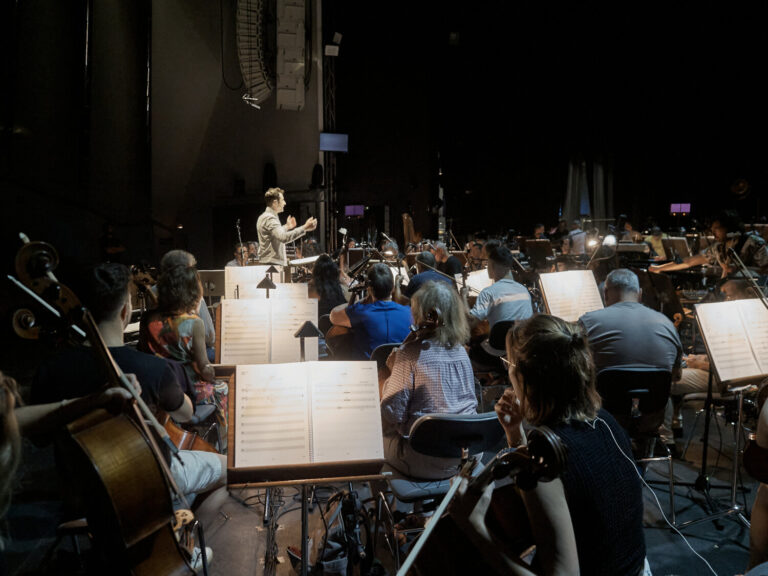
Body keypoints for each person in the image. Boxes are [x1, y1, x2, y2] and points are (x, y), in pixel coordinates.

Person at [33, 263, 227, 495]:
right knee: (227, 469)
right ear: (125, 310)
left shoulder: (51, 369)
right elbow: (184, 414)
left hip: (78, 487)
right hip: (144, 479)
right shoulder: (152, 369)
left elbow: (38, 437)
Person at [495, 315, 648, 576]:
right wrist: (514, 432)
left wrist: (474, 526)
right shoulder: (605, 420)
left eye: (508, 364)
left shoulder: (546, 456)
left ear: (525, 378)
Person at [380, 281, 476, 479]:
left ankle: (383, 506)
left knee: (370, 442)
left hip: (423, 457)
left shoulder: (410, 354)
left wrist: (392, 371)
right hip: (463, 455)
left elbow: (392, 413)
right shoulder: (461, 352)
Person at [140, 261, 229, 441]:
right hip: (187, 391)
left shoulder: (147, 318)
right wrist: (216, 376)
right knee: (224, 388)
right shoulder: (194, 323)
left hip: (156, 390)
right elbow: (204, 368)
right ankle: (222, 443)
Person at [578, 268, 682, 377]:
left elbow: (578, 367)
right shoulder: (667, 324)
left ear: (605, 293)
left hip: (607, 393)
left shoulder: (587, 322)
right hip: (655, 393)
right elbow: (676, 375)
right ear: (640, 294)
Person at [650, 210, 768, 278]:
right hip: (729, 293)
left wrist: (740, 270)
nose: (713, 232)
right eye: (712, 228)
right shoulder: (718, 247)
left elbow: (765, 270)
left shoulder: (754, 243)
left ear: (728, 226)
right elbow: (689, 261)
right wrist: (659, 268)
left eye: (717, 228)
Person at [329, 263, 412, 358]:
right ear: (392, 287)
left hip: (366, 371)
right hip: (397, 371)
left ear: (370, 289)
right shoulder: (409, 313)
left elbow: (333, 316)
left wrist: (365, 299)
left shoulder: (361, 311)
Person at [157, 250, 216, 362]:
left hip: (162, 357)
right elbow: (210, 336)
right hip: (188, 358)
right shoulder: (194, 294)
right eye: (191, 269)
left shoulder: (156, 290)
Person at [468, 245, 533, 331]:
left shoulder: (488, 293)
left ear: (492, 265)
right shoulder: (524, 291)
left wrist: (462, 297)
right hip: (522, 342)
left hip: (499, 343)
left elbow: (469, 323)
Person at [257, 187, 318, 265]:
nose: (284, 203)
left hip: (270, 263)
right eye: (282, 200)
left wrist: (287, 226)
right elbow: (284, 237)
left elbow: (273, 234)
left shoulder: (264, 216)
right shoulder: (270, 218)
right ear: (275, 203)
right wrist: (304, 227)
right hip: (272, 264)